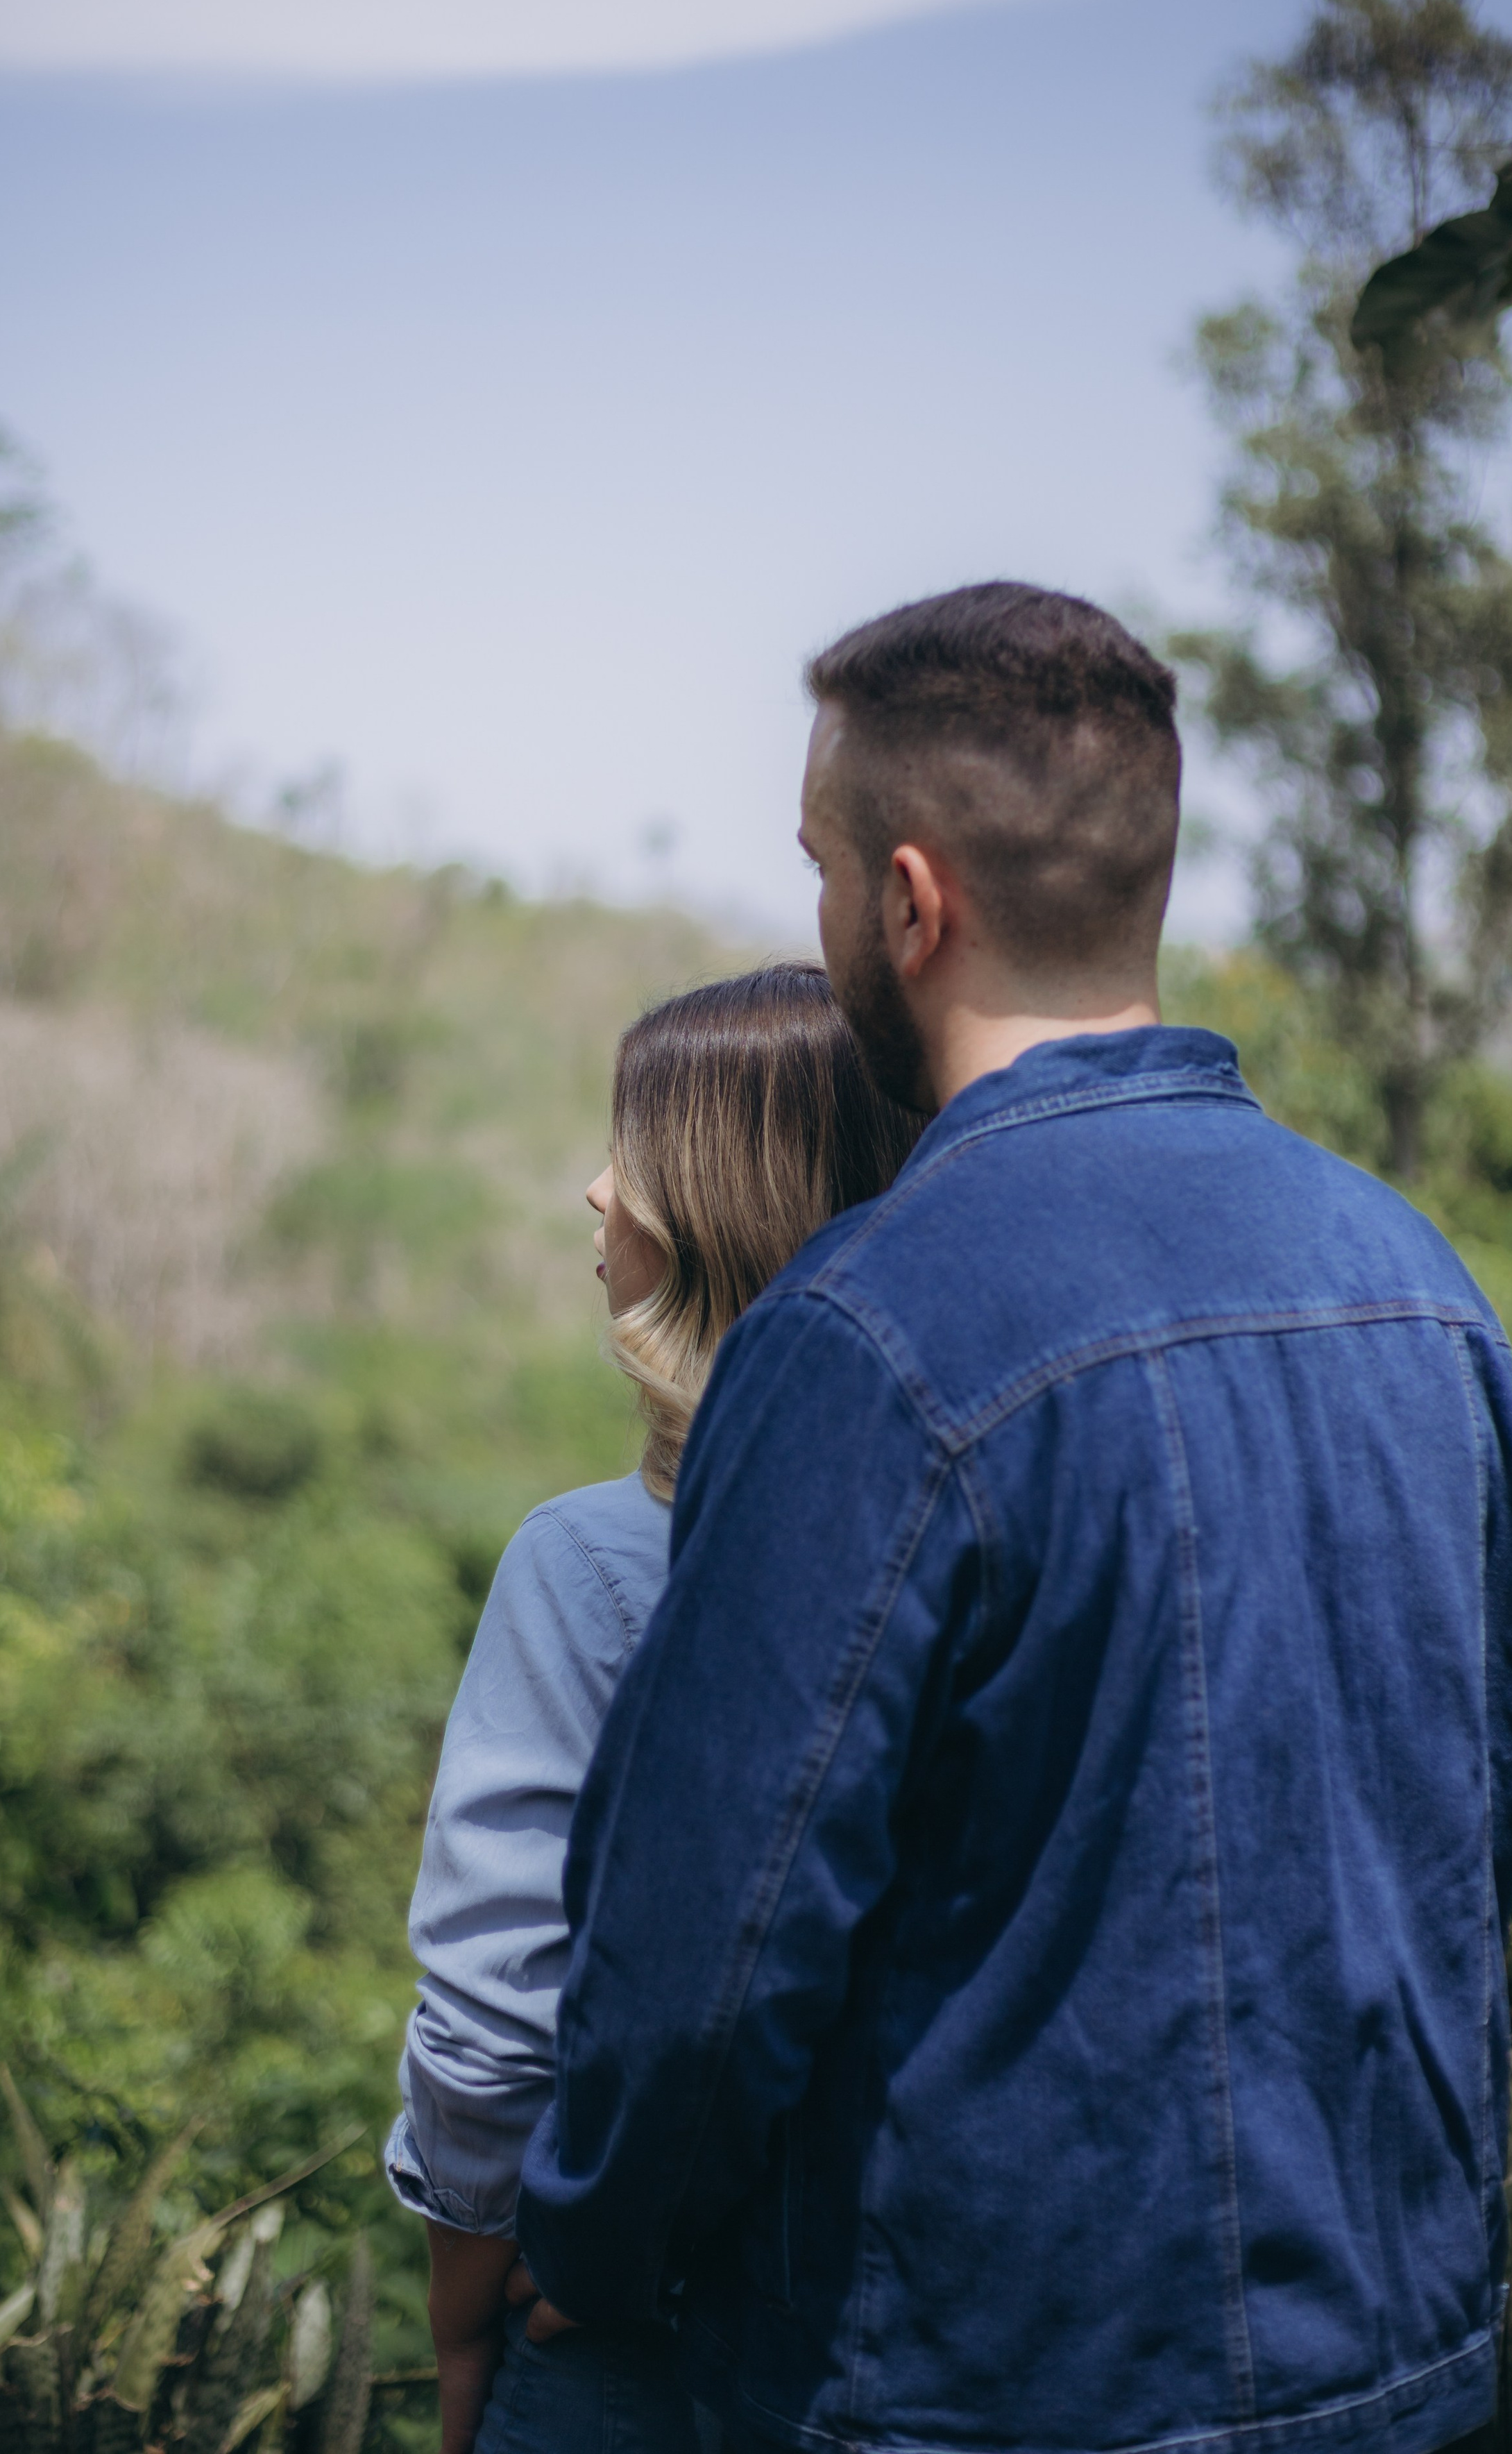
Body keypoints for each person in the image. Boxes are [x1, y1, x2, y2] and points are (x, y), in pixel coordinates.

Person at [511, 582, 1512, 2454]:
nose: (825, 918)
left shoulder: (859, 1336)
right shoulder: (1423, 1289)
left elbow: (698, 1978)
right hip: (1408, 2384)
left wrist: (585, 2235)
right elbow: (1468, 1854)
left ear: (911, 903)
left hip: (984, 2405)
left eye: (825, 870)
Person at [387, 964, 919, 2454]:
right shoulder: (951, 1532)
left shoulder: (590, 1566)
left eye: (633, 1151)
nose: (591, 1192)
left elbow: (495, 2020)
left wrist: (460, 2312)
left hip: (621, 2340)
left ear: (712, 1207)